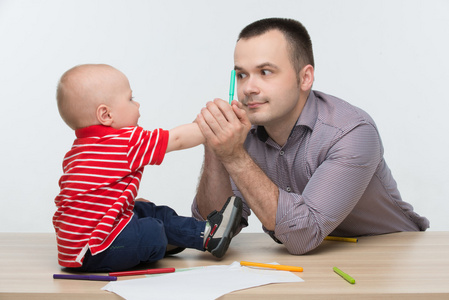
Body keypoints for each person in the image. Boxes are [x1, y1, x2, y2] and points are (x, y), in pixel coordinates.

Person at [192, 18, 429, 255]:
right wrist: (215, 146)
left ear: (305, 78)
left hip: (392, 255)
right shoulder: (242, 134)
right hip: (318, 260)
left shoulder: (351, 132)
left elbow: (302, 236)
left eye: (265, 72)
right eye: (242, 75)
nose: (248, 88)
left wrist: (235, 158)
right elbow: (210, 231)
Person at [53, 64, 242, 272]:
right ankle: (177, 237)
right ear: (105, 115)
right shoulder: (124, 141)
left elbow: (94, 201)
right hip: (99, 249)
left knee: (144, 210)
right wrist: (216, 125)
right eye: (130, 99)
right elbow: (177, 139)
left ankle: (207, 234)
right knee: (153, 230)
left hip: (75, 250)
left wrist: (128, 206)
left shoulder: (79, 149)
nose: (138, 104)